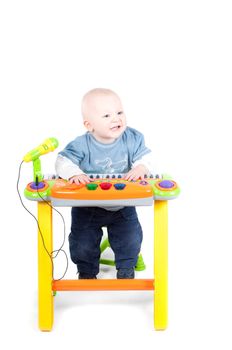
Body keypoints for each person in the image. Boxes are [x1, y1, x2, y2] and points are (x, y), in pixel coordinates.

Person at [55, 88, 154, 279]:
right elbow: (62, 161)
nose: (116, 119)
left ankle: (126, 270)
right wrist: (74, 173)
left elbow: (146, 156)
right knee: (82, 243)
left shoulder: (132, 138)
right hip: (87, 206)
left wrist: (141, 167)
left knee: (130, 240)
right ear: (89, 125)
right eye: (107, 115)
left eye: (119, 112)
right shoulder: (81, 144)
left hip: (123, 205)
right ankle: (86, 272)